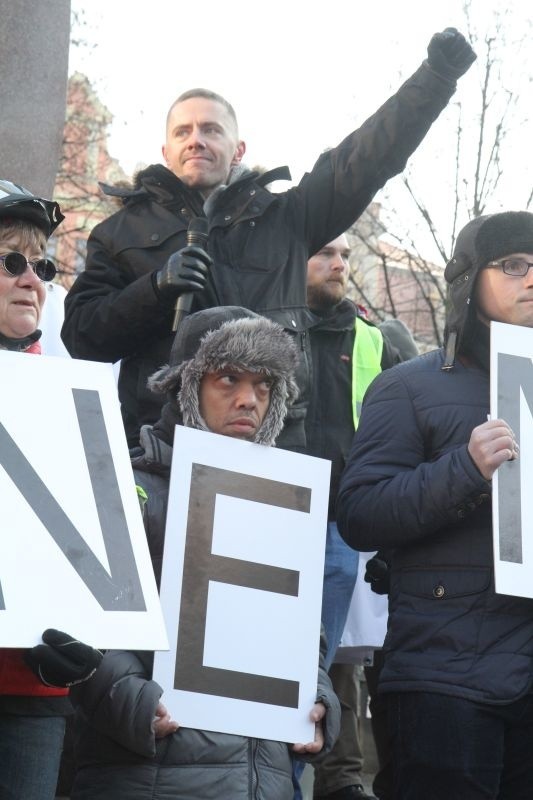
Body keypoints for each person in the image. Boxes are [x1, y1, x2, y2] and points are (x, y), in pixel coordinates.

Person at [61, 29, 476, 450]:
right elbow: (81, 339)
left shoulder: (288, 219)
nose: (196, 140)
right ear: (166, 151)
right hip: (159, 450)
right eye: (182, 132)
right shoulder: (118, 232)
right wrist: (154, 290)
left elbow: (364, 160)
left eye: (210, 129)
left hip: (273, 453)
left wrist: (436, 77)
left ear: (238, 149)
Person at [69, 305, 341, 800]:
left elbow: (304, 635)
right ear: (186, 387)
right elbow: (85, 628)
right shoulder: (131, 489)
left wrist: (317, 700)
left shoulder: (284, 499)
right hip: (150, 773)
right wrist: (134, 702)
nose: (248, 399)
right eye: (229, 379)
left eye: (264, 386)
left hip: (263, 779)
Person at [336, 211, 533, 800]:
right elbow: (360, 511)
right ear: (468, 279)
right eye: (515, 265)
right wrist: (464, 469)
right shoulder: (410, 385)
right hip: (445, 677)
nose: (532, 280)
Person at [0, 180, 102, 800]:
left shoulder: (74, 397)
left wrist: (90, 635)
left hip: (34, 686)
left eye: (41, 265)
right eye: (11, 261)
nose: (30, 278)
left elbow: (97, 548)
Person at [291, 234, 400, 800]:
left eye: (346, 255)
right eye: (325, 253)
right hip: (275, 516)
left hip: (342, 522)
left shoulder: (373, 339)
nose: (338, 265)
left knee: (325, 664)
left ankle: (315, 779)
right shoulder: (270, 322)